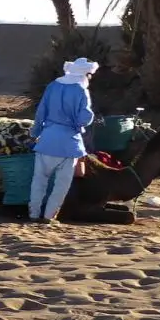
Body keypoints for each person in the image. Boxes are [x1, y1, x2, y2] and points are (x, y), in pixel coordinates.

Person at [29, 58, 98, 223]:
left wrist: (35, 132)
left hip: (46, 141)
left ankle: (33, 214)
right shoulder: (81, 90)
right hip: (69, 144)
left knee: (39, 181)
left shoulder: (53, 86)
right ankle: (48, 216)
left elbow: (41, 112)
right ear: (85, 74)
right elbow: (85, 117)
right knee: (61, 185)